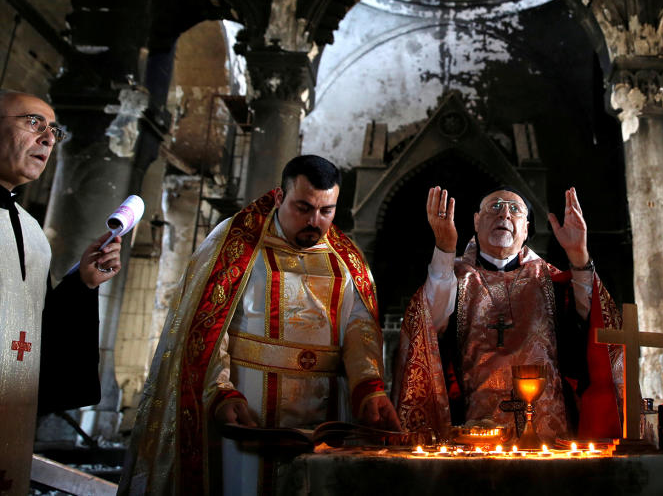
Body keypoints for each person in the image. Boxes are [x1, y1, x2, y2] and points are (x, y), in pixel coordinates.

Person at [120, 155, 398, 495]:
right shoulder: (235, 244)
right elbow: (206, 330)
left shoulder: (347, 260)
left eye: (326, 211)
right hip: (249, 406)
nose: (315, 221)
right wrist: (220, 392)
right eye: (303, 207)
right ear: (280, 197)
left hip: (326, 414)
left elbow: (360, 330)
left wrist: (369, 386)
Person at [392, 186, 624, 444]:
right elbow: (428, 327)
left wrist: (579, 256)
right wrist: (445, 249)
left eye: (515, 210)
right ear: (476, 222)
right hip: (471, 436)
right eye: (495, 207)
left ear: (525, 229)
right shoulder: (452, 276)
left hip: (550, 439)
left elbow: (592, 325)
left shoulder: (550, 280)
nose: (504, 214)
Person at [0, 90, 122, 496]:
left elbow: (32, 327)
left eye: (54, 129)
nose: (49, 138)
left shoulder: (31, 231)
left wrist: (81, 284)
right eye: (33, 122)